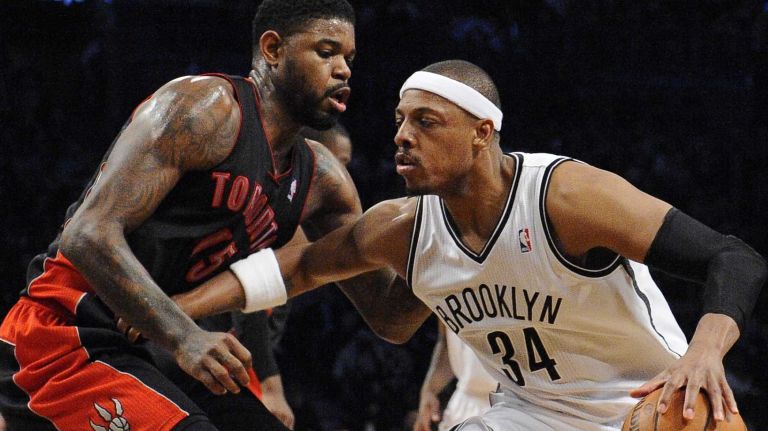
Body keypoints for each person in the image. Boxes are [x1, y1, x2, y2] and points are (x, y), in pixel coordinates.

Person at [174, 59, 767, 430]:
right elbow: (298, 265)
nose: (402, 137)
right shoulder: (402, 227)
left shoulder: (566, 196)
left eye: (426, 122)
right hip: (528, 415)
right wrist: (172, 314)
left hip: (641, 404)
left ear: (482, 133)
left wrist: (706, 351)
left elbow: (734, 257)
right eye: (400, 120)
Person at [0, 0, 381, 429]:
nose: (344, 70)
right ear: (272, 49)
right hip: (69, 333)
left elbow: (391, 316)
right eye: (326, 52)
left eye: (349, 58)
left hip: (155, 347)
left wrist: (439, 212)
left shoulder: (321, 181)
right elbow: (85, 235)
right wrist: (185, 336)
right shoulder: (207, 109)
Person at [414, 324, 497, 431]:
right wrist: (430, 389)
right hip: (464, 401)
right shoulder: (442, 306)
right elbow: (448, 341)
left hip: (513, 401)